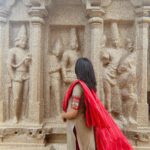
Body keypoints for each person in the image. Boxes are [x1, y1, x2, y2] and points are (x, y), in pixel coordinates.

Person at [61, 57, 133, 150]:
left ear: (78, 70)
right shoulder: (89, 88)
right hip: (87, 125)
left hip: (79, 126)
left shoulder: (78, 88)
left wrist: (64, 115)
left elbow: (74, 112)